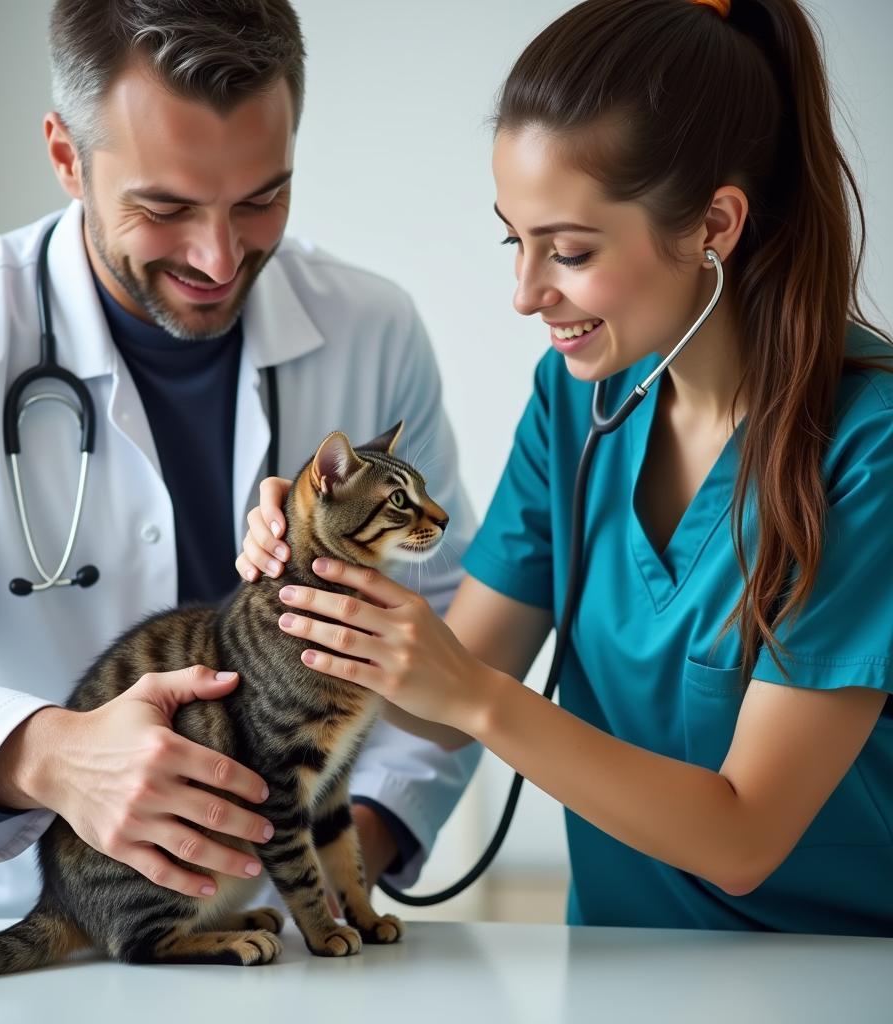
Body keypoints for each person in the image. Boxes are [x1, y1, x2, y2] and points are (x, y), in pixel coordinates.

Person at [239, 0, 893, 936]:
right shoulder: (575, 401)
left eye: (571, 251)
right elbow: (435, 706)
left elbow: (746, 837)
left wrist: (473, 696)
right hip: (610, 968)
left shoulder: (870, 448)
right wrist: (316, 572)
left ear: (714, 223)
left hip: (834, 978)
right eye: (517, 240)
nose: (525, 293)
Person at [0, 0, 478, 922]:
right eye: (166, 208)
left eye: (262, 198)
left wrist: (360, 826)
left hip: (281, 928)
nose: (220, 257)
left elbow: (448, 622)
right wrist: (49, 756)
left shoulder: (372, 326)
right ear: (67, 157)